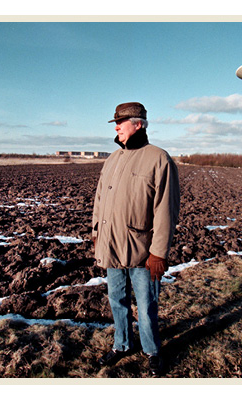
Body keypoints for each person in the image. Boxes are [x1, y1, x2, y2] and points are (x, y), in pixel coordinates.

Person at [92, 102, 180, 376]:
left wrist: (159, 253)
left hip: (143, 252)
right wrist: (97, 234)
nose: (116, 126)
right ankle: (122, 344)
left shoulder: (158, 159)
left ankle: (152, 351)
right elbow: (99, 201)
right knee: (116, 300)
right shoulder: (112, 160)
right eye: (115, 122)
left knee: (146, 306)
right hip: (112, 247)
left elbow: (166, 209)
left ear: (138, 123)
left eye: (121, 122)